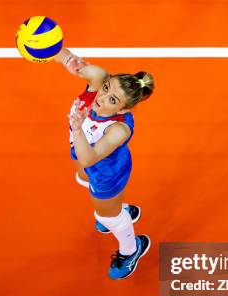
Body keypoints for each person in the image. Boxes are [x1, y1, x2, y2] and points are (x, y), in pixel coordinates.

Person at [55, 48, 155, 279]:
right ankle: (121, 211)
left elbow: (88, 157)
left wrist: (78, 128)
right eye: (107, 87)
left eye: (112, 99)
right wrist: (57, 54)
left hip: (106, 172)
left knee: (105, 217)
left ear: (123, 109)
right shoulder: (98, 80)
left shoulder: (119, 129)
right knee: (82, 176)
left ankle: (131, 249)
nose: (100, 97)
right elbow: (61, 54)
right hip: (85, 157)